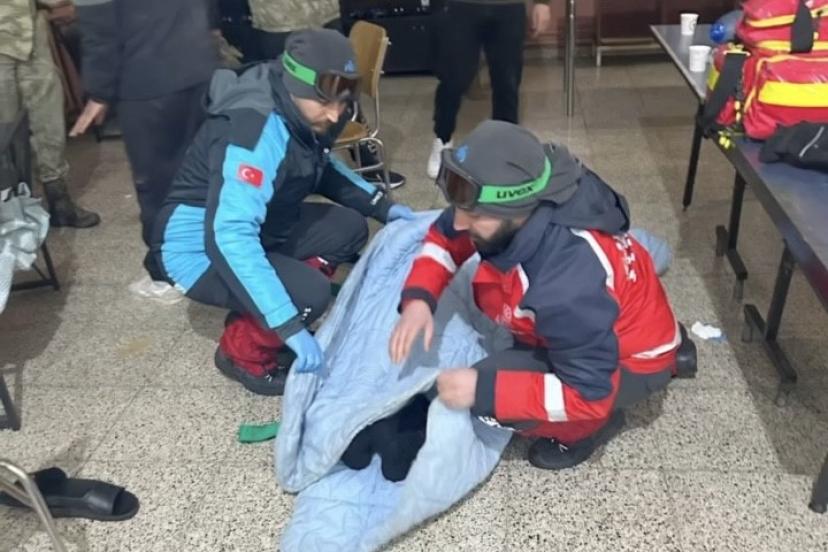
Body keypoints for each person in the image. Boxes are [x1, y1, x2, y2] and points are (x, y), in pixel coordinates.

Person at [391, 120, 696, 470]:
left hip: (619, 367)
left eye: (474, 215)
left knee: (487, 397)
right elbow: (446, 236)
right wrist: (419, 298)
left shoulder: (565, 288)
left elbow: (589, 394)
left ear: (517, 211)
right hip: (618, 327)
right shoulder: (531, 189)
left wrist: (482, 390)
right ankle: (672, 348)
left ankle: (586, 430)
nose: (459, 222)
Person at [150, 29, 415, 396]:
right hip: (197, 250)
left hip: (260, 220)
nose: (335, 113)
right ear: (295, 85)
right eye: (325, 102)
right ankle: (242, 352)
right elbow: (228, 236)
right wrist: (287, 324)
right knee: (309, 295)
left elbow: (321, 165)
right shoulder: (254, 129)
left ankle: (268, 300)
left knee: (350, 227)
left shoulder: (308, 106)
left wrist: (383, 206)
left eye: (343, 101)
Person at [70, 0, 219, 303]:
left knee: (157, 182)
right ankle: (215, 255)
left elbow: (99, 30)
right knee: (206, 170)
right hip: (199, 66)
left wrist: (99, 91)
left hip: (147, 80)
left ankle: (166, 275)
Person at [216, 0, 407, 189]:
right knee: (286, 103)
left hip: (325, 13)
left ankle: (363, 163)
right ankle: (294, 177)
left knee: (340, 90)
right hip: (280, 19)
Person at [0, 0, 100, 228]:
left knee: (49, 123)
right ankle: (12, 213)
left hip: (32, 39)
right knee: (5, 135)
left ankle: (59, 200)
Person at [426, 0, 553, 178]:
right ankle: (443, 138)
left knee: (507, 81)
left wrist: (542, 3)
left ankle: (505, 147)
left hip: (508, 6)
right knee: (453, 79)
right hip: (459, 6)